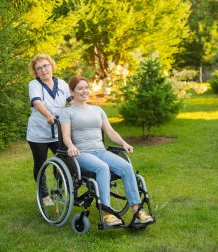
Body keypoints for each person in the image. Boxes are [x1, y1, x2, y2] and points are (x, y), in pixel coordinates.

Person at [60, 76, 153, 226]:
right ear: (72, 91)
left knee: (126, 166)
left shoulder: (97, 110)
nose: (85, 91)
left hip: (101, 151)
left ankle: (137, 211)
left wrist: (124, 143)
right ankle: (106, 212)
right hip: (82, 153)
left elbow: (110, 132)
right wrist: (71, 146)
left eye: (86, 87)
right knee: (102, 168)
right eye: (80, 88)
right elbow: (65, 135)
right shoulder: (67, 112)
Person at [26, 54, 71, 206]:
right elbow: (37, 102)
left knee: (63, 161)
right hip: (39, 133)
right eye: (39, 68)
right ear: (36, 72)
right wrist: (49, 115)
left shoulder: (63, 84)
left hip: (59, 131)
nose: (43, 70)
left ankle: (58, 190)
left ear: (51, 66)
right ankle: (44, 195)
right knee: (40, 164)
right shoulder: (34, 84)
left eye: (45, 66)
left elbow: (72, 101)